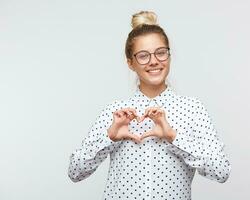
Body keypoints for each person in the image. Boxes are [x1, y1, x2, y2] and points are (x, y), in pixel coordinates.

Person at [68, 10, 231, 200]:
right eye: (143, 55)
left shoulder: (192, 109)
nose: (154, 61)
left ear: (169, 56)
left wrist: (173, 137)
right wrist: (109, 138)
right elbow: (75, 172)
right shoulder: (116, 114)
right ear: (130, 63)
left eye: (161, 53)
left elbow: (221, 171)